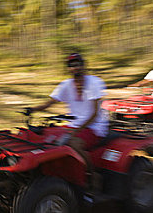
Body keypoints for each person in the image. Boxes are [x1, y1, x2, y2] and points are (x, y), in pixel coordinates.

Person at [25, 53, 108, 188]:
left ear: (83, 65)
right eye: (72, 65)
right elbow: (50, 103)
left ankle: (93, 175)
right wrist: (33, 109)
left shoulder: (94, 83)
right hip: (72, 125)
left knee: (73, 144)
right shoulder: (66, 85)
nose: (75, 68)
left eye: (78, 64)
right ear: (69, 68)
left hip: (94, 127)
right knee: (47, 139)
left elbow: (93, 114)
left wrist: (75, 131)